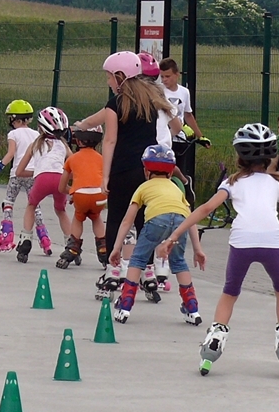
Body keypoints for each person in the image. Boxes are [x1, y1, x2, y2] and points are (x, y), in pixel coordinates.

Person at [159, 123, 279, 379]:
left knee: (230, 292)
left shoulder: (232, 182)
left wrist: (174, 236)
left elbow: (205, 209)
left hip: (242, 242)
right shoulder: (277, 183)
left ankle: (215, 338)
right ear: (271, 156)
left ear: (240, 156)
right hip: (271, 241)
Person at [73, 51, 174, 300]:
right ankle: (148, 273)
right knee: (143, 222)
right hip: (147, 171)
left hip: (121, 170)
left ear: (120, 76)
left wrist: (105, 176)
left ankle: (113, 271)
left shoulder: (116, 104)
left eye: (109, 77)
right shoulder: (150, 100)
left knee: (117, 220)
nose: (108, 82)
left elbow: (109, 140)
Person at [108, 145, 205, 325]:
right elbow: (190, 218)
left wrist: (116, 247)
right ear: (171, 173)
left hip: (156, 221)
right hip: (180, 222)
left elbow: (127, 221)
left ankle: (125, 303)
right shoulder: (177, 189)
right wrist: (197, 249)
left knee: (138, 259)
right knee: (178, 262)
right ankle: (192, 307)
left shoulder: (143, 187)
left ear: (146, 171)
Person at [0, 100, 53, 254]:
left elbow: (11, 154)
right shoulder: (37, 134)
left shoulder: (13, 134)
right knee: (35, 205)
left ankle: (7, 235)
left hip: (17, 173)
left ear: (14, 119)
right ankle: (44, 238)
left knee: (8, 202)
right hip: (32, 174)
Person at [14, 106, 72, 264]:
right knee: (61, 210)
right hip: (60, 179)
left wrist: (38, 172)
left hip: (41, 180)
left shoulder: (35, 145)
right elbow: (74, 164)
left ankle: (26, 240)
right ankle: (71, 245)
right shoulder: (64, 145)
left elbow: (19, 171)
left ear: (40, 127)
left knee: (31, 206)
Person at [55, 126, 107, 269]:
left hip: (80, 195)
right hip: (100, 194)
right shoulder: (102, 158)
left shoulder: (72, 159)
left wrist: (74, 192)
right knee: (96, 217)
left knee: (78, 217)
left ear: (78, 140)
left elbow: (61, 187)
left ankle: (73, 249)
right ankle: (103, 249)